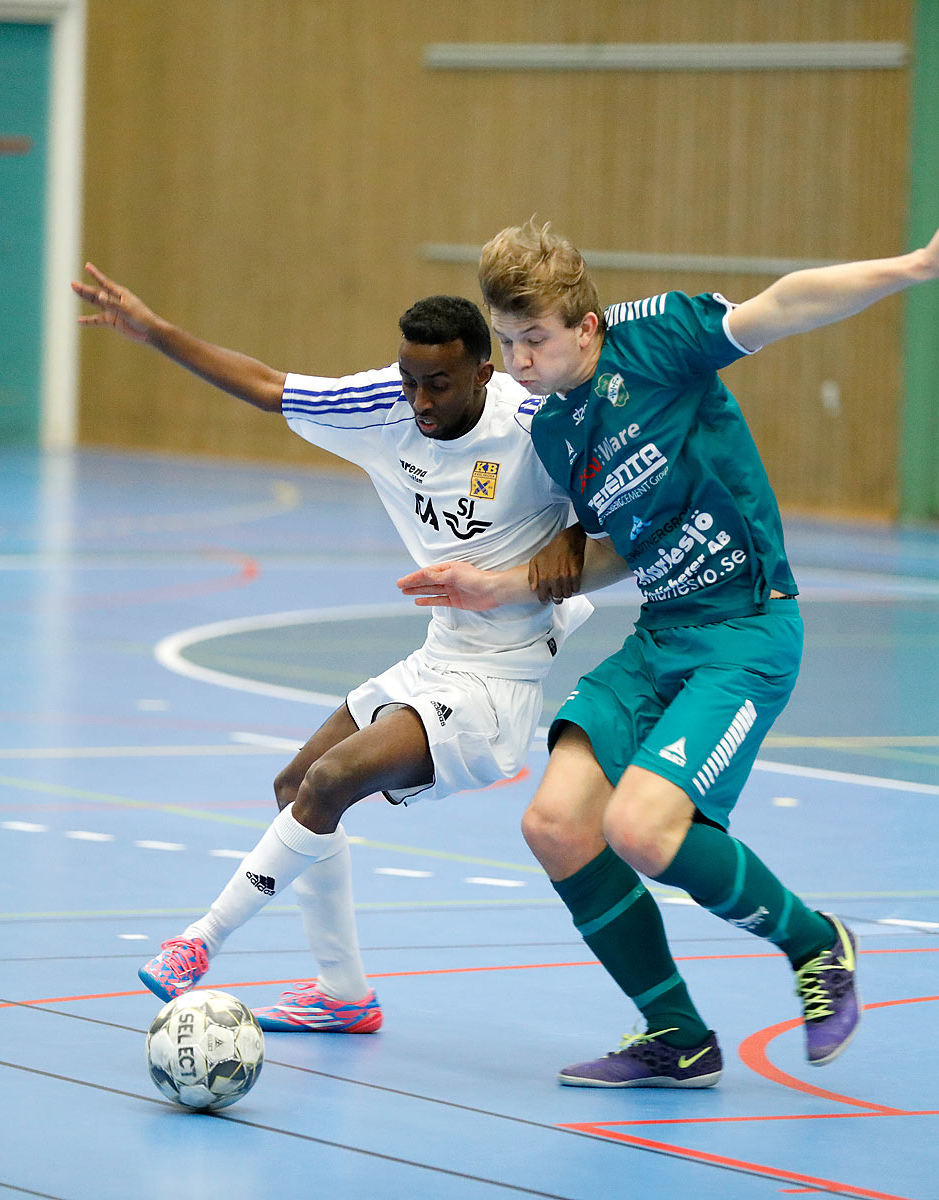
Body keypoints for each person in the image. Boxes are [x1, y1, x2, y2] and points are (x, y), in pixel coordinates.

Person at [399, 216, 939, 1086]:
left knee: (641, 827)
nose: (520, 361)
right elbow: (614, 549)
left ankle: (816, 942)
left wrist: (918, 264)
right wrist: (499, 585)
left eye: (535, 339)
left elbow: (784, 305)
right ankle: (676, 1036)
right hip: (660, 635)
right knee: (557, 824)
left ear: (585, 327)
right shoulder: (558, 430)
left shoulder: (660, 340)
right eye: (507, 342)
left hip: (746, 632)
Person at [74, 264, 590, 1032]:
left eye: (439, 384)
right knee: (296, 788)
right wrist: (154, 332)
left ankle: (198, 941)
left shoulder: (538, 427)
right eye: (411, 380)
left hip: (498, 685)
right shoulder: (386, 405)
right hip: (438, 656)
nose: (419, 401)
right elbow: (266, 383)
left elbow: (621, 510)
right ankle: (344, 994)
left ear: (485, 371)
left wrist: (574, 544)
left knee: (331, 779)